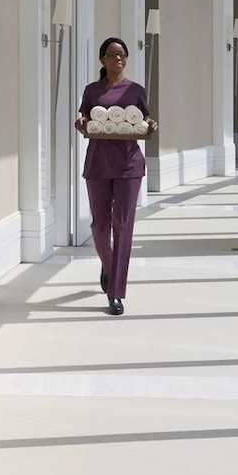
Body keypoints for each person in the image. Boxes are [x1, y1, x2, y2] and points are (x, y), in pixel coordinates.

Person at [75, 37, 157, 316]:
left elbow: (144, 122)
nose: (117, 59)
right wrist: (81, 124)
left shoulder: (136, 91)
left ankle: (116, 292)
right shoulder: (91, 91)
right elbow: (85, 121)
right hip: (98, 164)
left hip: (128, 166)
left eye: (122, 55)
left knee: (123, 225)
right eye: (112, 55)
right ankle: (109, 266)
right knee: (100, 226)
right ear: (102, 59)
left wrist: (151, 126)